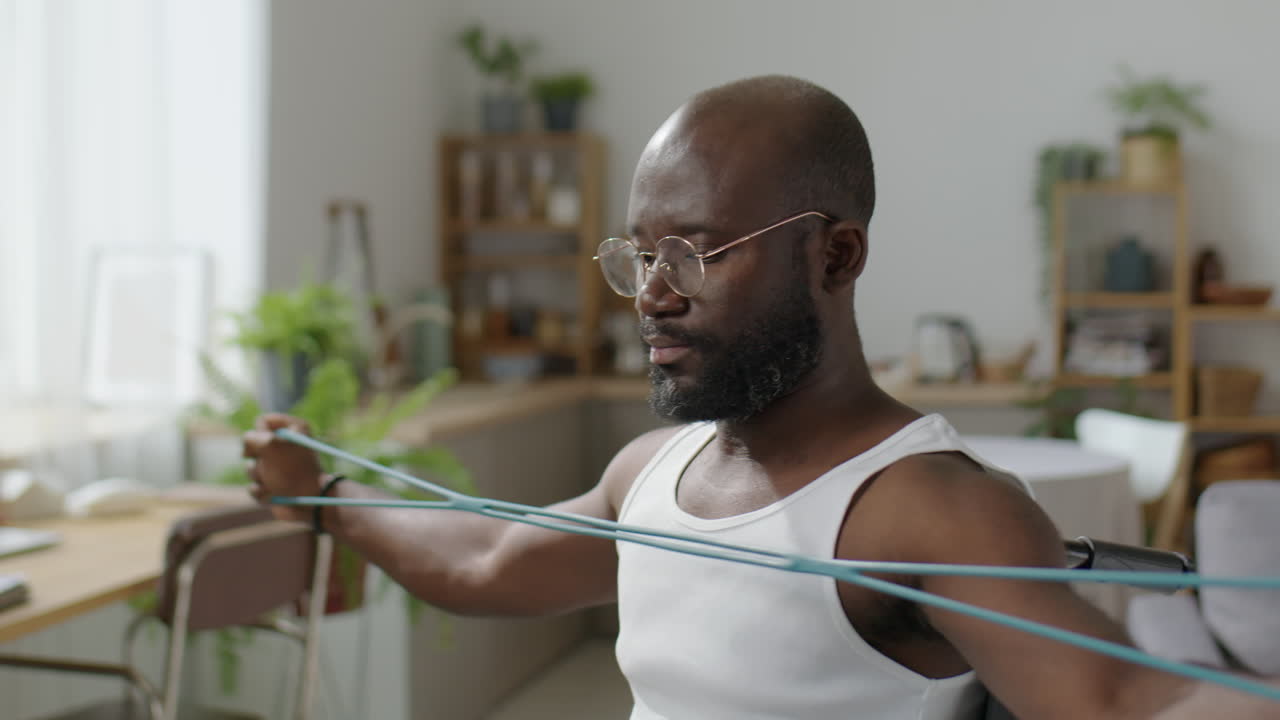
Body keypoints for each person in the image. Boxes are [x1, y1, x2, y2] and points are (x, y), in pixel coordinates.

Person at [244, 75, 1279, 719]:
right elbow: (480, 561)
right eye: (640, 254)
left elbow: (1123, 699)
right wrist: (322, 490)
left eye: (693, 253)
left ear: (834, 255)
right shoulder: (653, 470)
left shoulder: (925, 505)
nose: (650, 292)